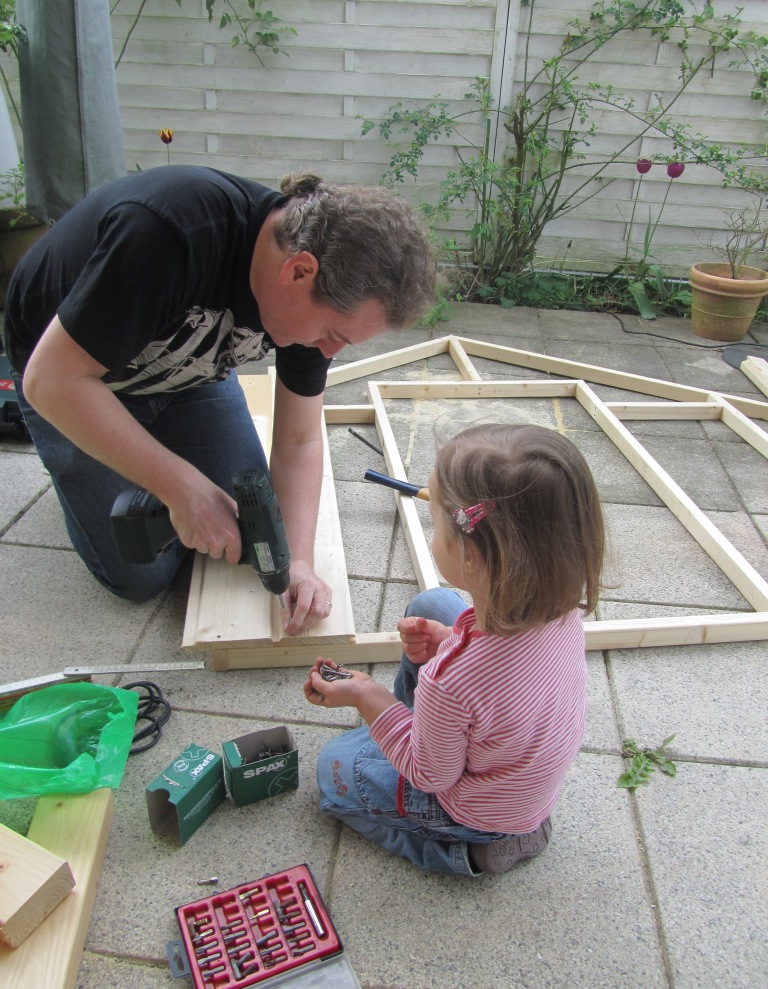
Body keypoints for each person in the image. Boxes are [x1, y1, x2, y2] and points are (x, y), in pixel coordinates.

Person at [3, 165, 436, 633]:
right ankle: (78, 459)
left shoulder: (314, 292)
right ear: (299, 271)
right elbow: (50, 381)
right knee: (141, 571)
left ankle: (133, 452)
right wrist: (181, 489)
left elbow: (299, 438)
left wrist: (299, 561)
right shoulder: (167, 236)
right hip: (71, 377)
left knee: (254, 530)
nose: (330, 351)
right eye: (332, 334)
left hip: (185, 373)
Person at [304, 423, 605, 876]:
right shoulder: (563, 611)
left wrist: (368, 695)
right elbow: (504, 681)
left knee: (335, 769)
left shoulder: (454, 681)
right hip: (521, 776)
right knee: (433, 606)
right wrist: (449, 640)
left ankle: (465, 853)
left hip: (475, 811)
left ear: (472, 557)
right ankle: (421, 732)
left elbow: (430, 777)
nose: (432, 530)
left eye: (436, 522)